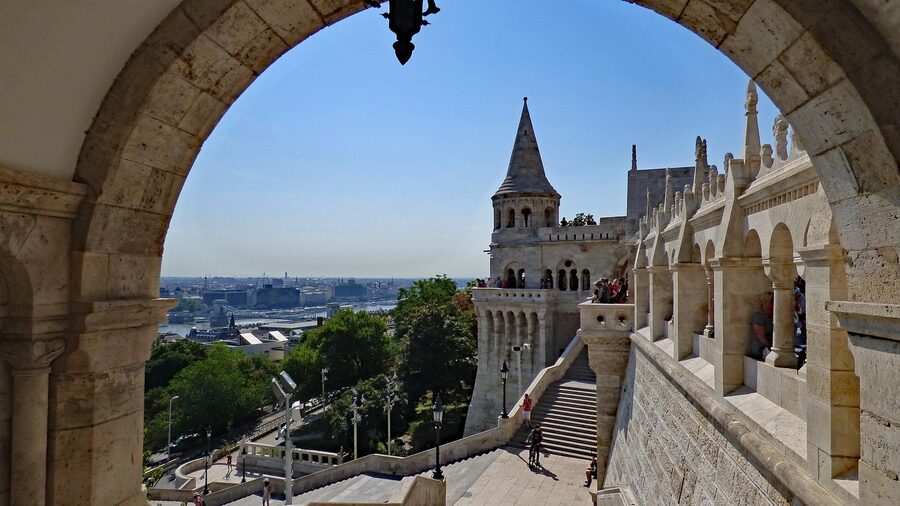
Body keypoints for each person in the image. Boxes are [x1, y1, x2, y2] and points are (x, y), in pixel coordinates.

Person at [750, 292, 774, 360]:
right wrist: (771, 347)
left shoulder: (773, 315)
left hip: (771, 347)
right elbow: (761, 338)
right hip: (761, 349)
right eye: (772, 301)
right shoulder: (758, 317)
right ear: (766, 302)